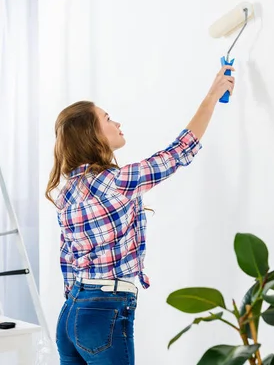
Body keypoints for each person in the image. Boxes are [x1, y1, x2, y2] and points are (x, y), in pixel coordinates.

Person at [45, 65, 236, 364]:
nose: (117, 122)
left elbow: (67, 256)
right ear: (92, 133)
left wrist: (79, 305)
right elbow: (178, 152)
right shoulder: (116, 182)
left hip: (72, 312)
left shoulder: (70, 190)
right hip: (104, 310)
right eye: (107, 118)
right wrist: (212, 95)